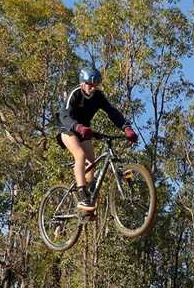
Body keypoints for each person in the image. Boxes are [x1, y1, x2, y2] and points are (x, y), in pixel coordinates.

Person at [57, 66, 137, 211]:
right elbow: (64, 115)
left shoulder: (98, 96)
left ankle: (86, 199)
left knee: (91, 167)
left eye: (95, 85)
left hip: (84, 132)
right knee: (80, 156)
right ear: (82, 83)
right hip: (68, 130)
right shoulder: (75, 94)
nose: (93, 88)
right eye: (90, 84)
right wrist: (77, 127)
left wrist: (126, 127)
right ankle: (82, 195)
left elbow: (112, 112)